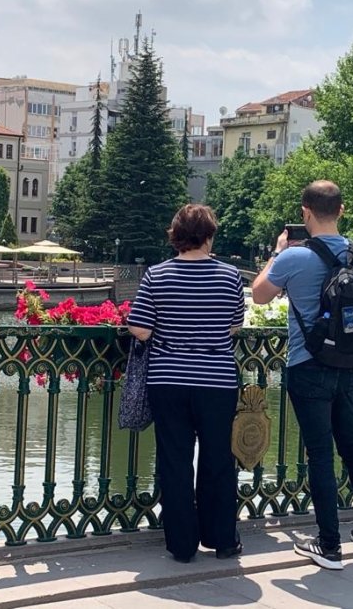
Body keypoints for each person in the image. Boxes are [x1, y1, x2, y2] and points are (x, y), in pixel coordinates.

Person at [251, 180, 353, 570]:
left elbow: (260, 294)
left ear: (304, 213)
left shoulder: (294, 257)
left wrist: (275, 253)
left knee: (319, 453)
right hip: (352, 366)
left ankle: (329, 544)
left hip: (308, 364)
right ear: (341, 211)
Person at [127, 204, 245, 563]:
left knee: (175, 461)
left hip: (169, 381)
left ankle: (182, 545)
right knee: (218, 459)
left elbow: (141, 328)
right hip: (217, 381)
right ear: (209, 236)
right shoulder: (230, 276)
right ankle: (222, 539)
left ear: (176, 235)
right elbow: (235, 326)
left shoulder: (156, 276)